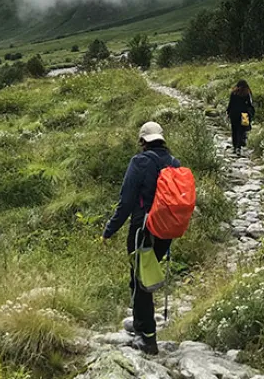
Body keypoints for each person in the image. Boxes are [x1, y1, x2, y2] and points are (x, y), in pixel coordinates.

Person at [102, 121, 180, 355]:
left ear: (143, 141)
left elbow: (126, 202)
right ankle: (140, 326)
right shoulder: (174, 162)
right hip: (165, 230)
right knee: (143, 276)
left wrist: (109, 230)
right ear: (161, 138)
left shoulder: (140, 162)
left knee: (140, 280)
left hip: (142, 230)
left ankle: (147, 338)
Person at [226, 80, 254, 156]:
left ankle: (235, 147)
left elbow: (230, 104)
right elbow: (250, 105)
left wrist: (228, 112)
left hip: (234, 114)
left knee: (234, 130)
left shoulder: (233, 93)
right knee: (242, 131)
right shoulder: (247, 93)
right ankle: (239, 147)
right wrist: (252, 114)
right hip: (244, 114)